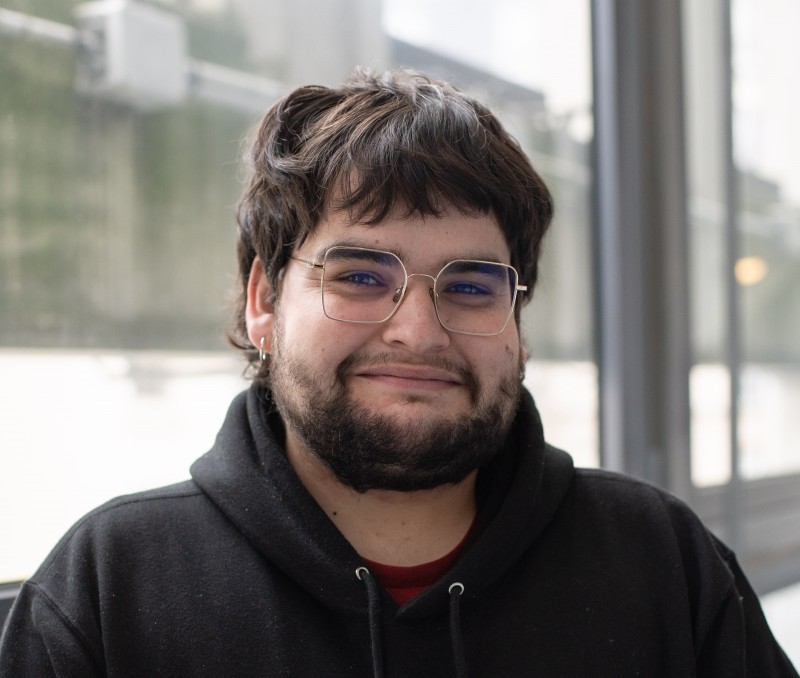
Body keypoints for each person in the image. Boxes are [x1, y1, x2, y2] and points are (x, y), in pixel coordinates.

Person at [0, 69, 796, 678]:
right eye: (358, 276)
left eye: (472, 286)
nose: (417, 330)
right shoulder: (108, 590)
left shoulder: (661, 561)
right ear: (264, 301)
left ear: (518, 327)